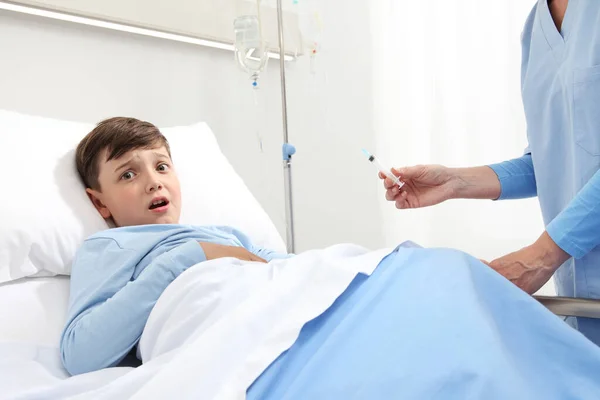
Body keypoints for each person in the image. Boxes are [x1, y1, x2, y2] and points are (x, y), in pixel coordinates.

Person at [380, 0, 600, 345]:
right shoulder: (535, 28)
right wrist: (454, 181)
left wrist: (540, 257)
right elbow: (552, 159)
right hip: (582, 299)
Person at [60, 117, 291, 376]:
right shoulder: (110, 246)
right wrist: (190, 257)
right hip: (222, 332)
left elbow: (294, 267)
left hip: (277, 312)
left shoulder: (225, 235)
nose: (154, 182)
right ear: (100, 203)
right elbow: (81, 355)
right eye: (128, 174)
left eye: (161, 166)